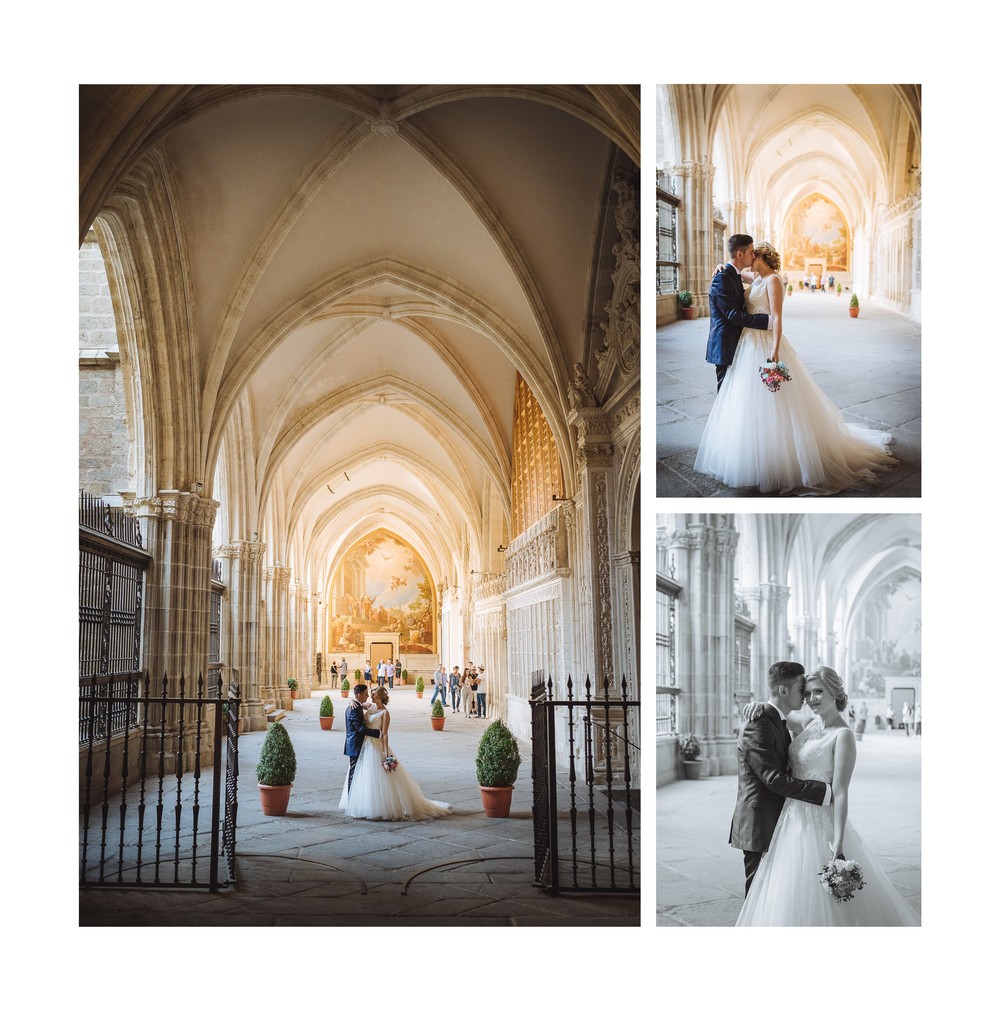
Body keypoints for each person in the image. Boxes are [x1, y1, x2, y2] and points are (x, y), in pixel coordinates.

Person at [694, 241, 898, 495]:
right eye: (747, 255)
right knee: (747, 400)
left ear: (758, 257)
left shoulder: (773, 281)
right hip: (747, 345)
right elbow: (734, 274)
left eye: (752, 255)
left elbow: (777, 318)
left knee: (776, 402)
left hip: (766, 343)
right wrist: (720, 267)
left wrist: (775, 350)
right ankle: (754, 451)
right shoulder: (755, 278)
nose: (749, 259)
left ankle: (781, 456)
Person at [736, 666, 918, 925]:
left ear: (835, 692)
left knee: (821, 901)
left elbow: (841, 792)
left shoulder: (843, 736)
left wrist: (839, 843)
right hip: (788, 822)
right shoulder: (808, 724)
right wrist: (757, 705)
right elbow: (775, 713)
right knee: (784, 893)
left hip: (819, 821)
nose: (811, 699)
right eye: (807, 693)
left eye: (818, 692)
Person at [730, 661, 830, 898]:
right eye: (800, 690)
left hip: (781, 818)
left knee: (774, 895)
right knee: (758, 895)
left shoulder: (779, 719)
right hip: (761, 821)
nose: (805, 697)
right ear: (784, 690)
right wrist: (824, 791)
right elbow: (774, 779)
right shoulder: (759, 724)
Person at [339, 686, 450, 821]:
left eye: (374, 695)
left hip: (375, 745)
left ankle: (381, 806)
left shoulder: (385, 713)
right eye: (370, 694)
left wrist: (386, 753)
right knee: (365, 775)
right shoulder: (370, 706)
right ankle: (363, 803)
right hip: (365, 745)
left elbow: (385, 734)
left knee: (378, 777)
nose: (371, 697)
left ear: (380, 697)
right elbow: (357, 703)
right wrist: (351, 700)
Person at [704, 233, 774, 392]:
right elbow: (732, 315)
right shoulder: (722, 277)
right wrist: (767, 321)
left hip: (738, 342)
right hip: (725, 345)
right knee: (725, 393)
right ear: (740, 254)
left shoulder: (733, 274)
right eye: (751, 252)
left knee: (735, 392)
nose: (754, 256)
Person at [343, 683, 382, 793]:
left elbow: (366, 705)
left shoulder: (356, 705)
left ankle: (356, 796)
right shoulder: (355, 708)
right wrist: (378, 733)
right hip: (355, 744)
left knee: (357, 772)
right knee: (354, 773)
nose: (368, 696)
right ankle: (351, 798)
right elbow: (360, 728)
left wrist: (351, 700)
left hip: (357, 743)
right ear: (359, 695)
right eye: (366, 694)